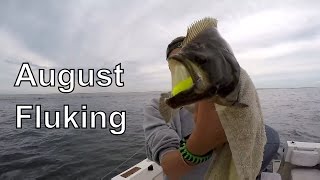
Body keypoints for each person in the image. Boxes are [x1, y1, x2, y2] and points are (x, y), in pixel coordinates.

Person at [143, 37, 280, 180]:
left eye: (194, 61)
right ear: (170, 69)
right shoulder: (157, 107)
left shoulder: (226, 90)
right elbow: (169, 167)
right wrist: (200, 143)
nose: (186, 69)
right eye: (177, 63)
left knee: (273, 138)